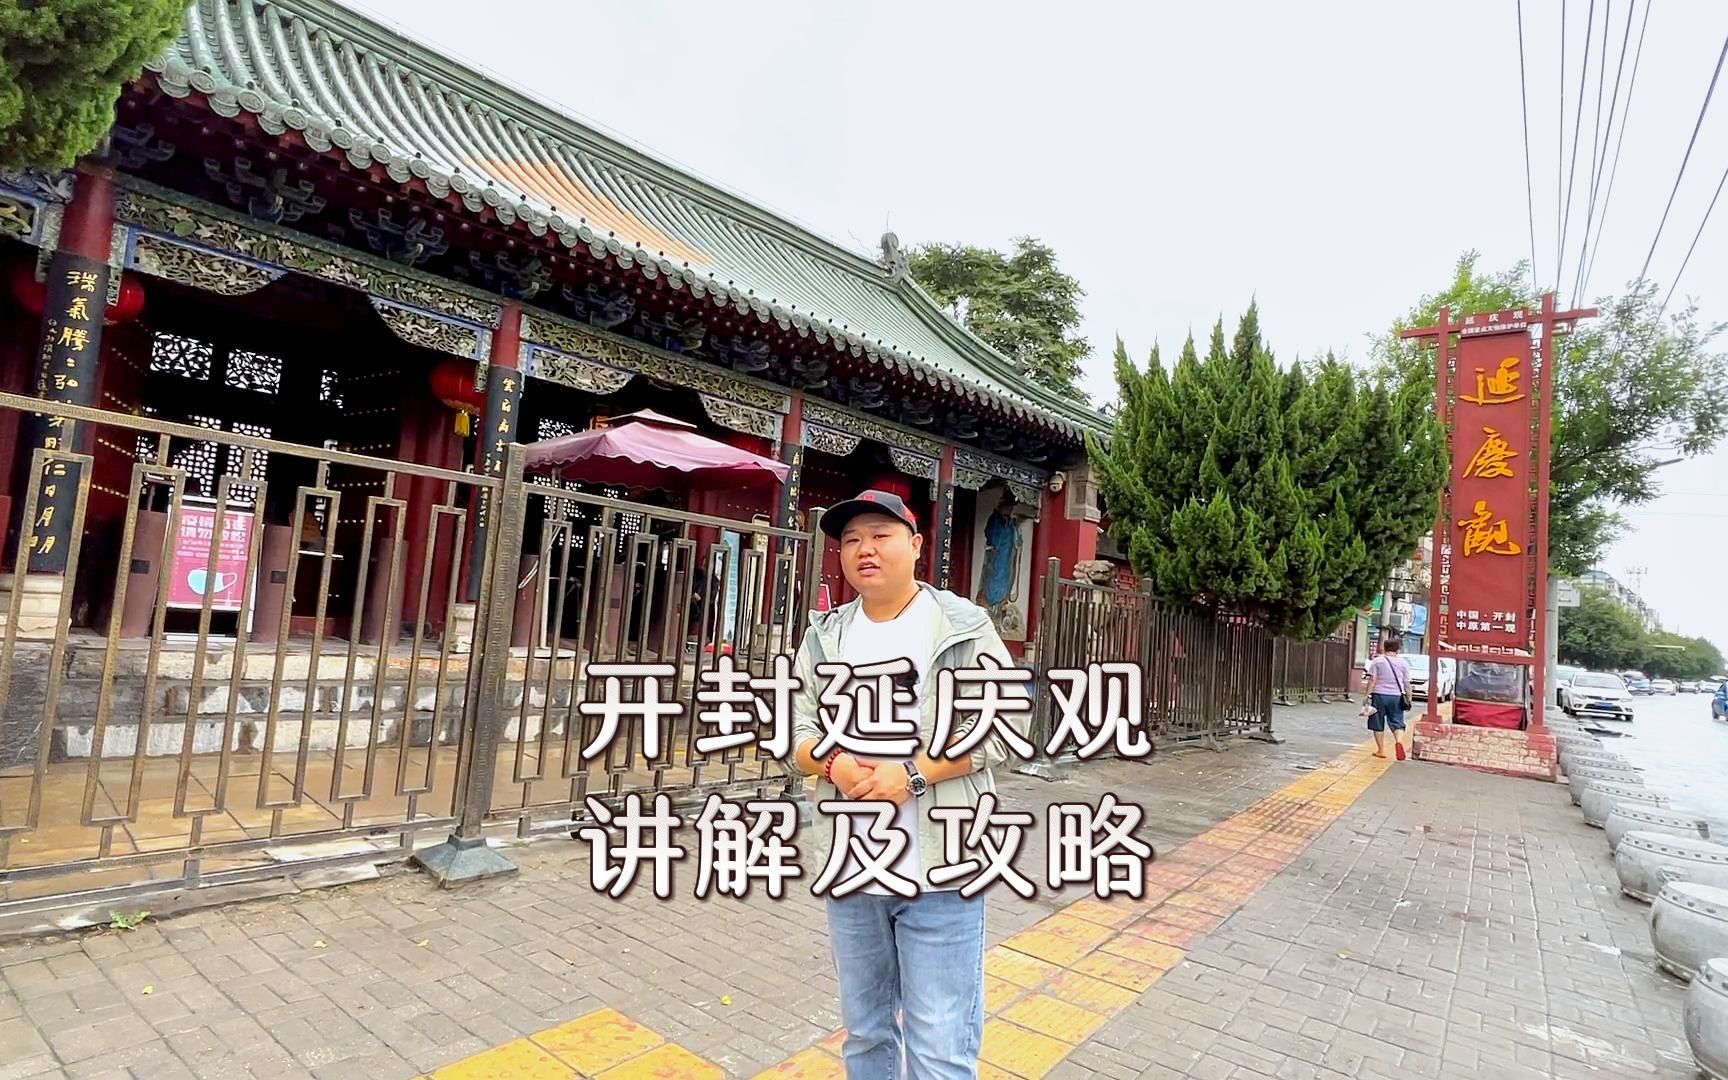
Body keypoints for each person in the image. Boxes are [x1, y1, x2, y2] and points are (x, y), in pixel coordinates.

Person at [785, 489, 1029, 1080]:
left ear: (916, 546)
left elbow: (1006, 725)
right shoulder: (824, 636)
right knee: (866, 1034)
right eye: (851, 540)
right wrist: (833, 764)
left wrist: (915, 773)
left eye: (880, 535)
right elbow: (793, 728)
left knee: (939, 1046)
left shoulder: (962, 627)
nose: (864, 549)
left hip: (942, 870)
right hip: (852, 868)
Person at [1362, 638, 1412, 760]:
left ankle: (1381, 750)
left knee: (1377, 722)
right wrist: (1409, 697)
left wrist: (1367, 695)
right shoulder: (1403, 663)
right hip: (1396, 696)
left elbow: (1372, 679)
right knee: (1397, 721)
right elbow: (1407, 683)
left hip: (1379, 695)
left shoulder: (1377, 661)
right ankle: (1398, 741)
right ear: (1398, 649)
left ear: (1384, 648)